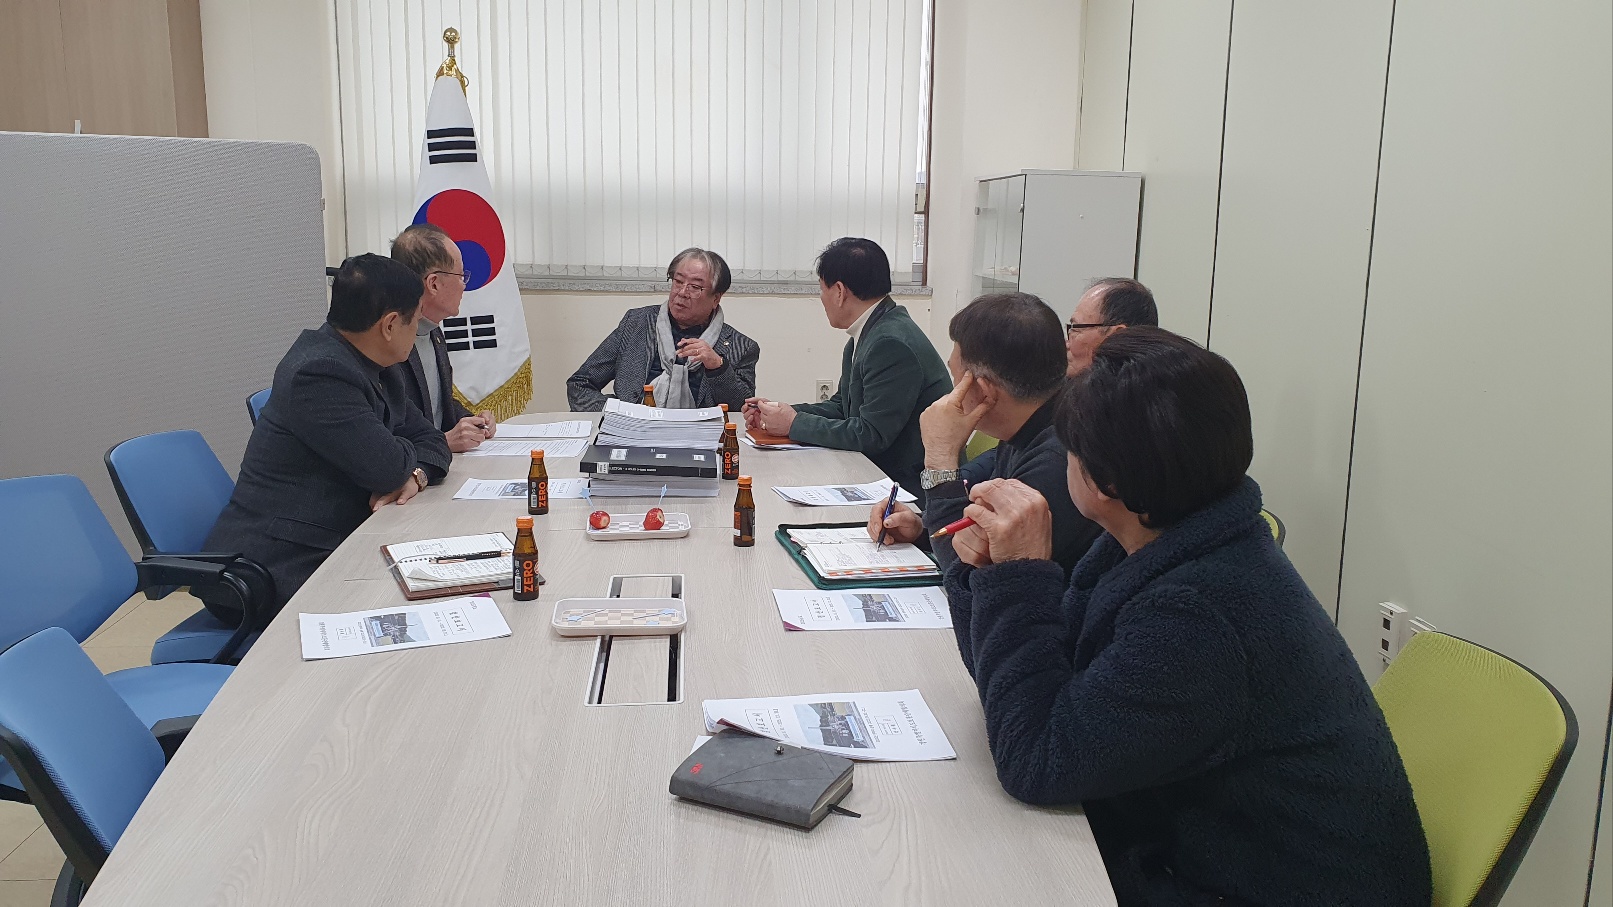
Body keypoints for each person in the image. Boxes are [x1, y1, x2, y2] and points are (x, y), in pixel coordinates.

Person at [943, 327, 1430, 905]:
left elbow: (1035, 758)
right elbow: (1027, 688)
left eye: (1069, 451)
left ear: (1106, 482)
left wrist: (1018, 577)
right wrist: (989, 575)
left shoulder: (1198, 614)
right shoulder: (1152, 536)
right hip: (1198, 846)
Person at [203, 254, 452, 619]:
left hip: (336, 539)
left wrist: (416, 474)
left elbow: (432, 440)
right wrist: (401, 458)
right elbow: (387, 469)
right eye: (415, 321)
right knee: (431, 606)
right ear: (389, 324)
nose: (416, 334)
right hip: (276, 565)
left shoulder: (377, 363)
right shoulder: (320, 373)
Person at [866, 293, 1100, 575]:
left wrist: (940, 460)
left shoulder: (1056, 462)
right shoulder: (1034, 423)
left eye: (955, 377)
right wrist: (922, 529)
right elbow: (973, 534)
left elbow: (965, 574)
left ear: (982, 390)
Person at [744, 238, 950, 500]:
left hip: (910, 488)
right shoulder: (871, 331)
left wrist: (794, 423)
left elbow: (872, 435)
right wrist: (780, 413)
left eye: (822, 289)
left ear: (839, 291)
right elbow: (843, 407)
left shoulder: (890, 343)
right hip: (877, 473)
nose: (821, 299)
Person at [962, 277, 1158, 484]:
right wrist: (961, 478)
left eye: (1076, 328)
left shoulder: (1115, 420)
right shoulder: (1071, 391)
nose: (1066, 343)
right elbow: (1016, 447)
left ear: (1116, 336)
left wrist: (944, 459)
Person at [567, 248, 760, 410]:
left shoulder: (741, 346)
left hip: (699, 438)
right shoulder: (636, 323)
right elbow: (580, 384)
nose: (682, 292)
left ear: (716, 298)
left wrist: (717, 366)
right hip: (634, 432)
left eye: (695, 287)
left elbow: (743, 410)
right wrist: (617, 413)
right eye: (678, 281)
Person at [388, 223, 497, 451]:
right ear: (434, 284)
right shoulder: (388, 341)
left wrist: (473, 422)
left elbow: (437, 404)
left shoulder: (434, 331)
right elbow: (388, 435)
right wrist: (444, 442)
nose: (464, 286)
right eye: (461, 276)